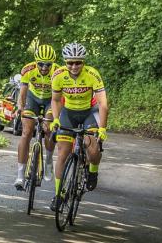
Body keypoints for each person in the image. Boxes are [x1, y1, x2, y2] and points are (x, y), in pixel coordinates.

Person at [48, 42, 109, 211]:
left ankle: (93, 171)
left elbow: (103, 104)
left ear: (83, 62)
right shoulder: (58, 75)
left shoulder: (92, 74)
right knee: (62, 153)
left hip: (89, 111)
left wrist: (102, 128)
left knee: (93, 150)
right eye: (70, 62)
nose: (74, 66)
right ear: (65, 62)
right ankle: (59, 195)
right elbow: (55, 100)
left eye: (78, 62)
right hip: (68, 113)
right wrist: (55, 119)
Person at [13, 43, 59, 189]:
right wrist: (20, 108)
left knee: (49, 128)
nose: (44, 67)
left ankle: (49, 161)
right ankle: (20, 175)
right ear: (35, 62)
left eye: (48, 64)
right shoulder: (28, 69)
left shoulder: (58, 72)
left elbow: (59, 97)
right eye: (41, 64)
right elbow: (23, 93)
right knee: (26, 132)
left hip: (49, 101)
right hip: (32, 99)